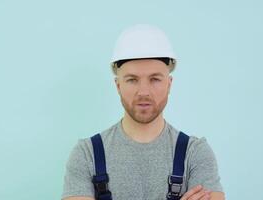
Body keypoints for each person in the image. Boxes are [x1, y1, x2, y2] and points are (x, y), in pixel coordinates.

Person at [62, 24, 225, 200]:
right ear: (118, 86)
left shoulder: (196, 153)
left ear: (169, 84)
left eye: (155, 79)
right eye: (132, 80)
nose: (144, 92)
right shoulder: (87, 155)